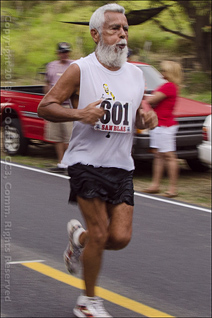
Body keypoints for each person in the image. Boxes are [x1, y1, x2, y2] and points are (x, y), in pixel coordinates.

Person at [38, 3, 158, 317]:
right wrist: (80, 113)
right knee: (102, 233)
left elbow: (137, 115)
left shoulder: (134, 74)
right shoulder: (81, 69)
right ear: (95, 34)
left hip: (121, 165)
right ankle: (87, 303)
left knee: (119, 238)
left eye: (125, 29)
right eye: (114, 28)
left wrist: (145, 120)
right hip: (85, 161)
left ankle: (79, 238)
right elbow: (45, 106)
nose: (122, 35)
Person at [143, 60, 183, 197]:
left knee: (169, 156)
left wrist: (143, 96)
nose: (162, 73)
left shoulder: (169, 86)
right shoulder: (169, 86)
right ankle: (156, 184)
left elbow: (151, 100)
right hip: (159, 124)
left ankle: (172, 188)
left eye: (165, 71)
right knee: (159, 155)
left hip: (165, 125)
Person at [44, 42, 74, 173]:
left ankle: (70, 162)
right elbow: (47, 83)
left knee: (70, 137)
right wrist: (47, 100)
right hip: (54, 105)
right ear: (58, 53)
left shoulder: (73, 66)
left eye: (66, 52)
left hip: (68, 106)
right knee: (58, 137)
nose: (64, 54)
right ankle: (61, 163)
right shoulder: (51, 66)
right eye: (62, 52)